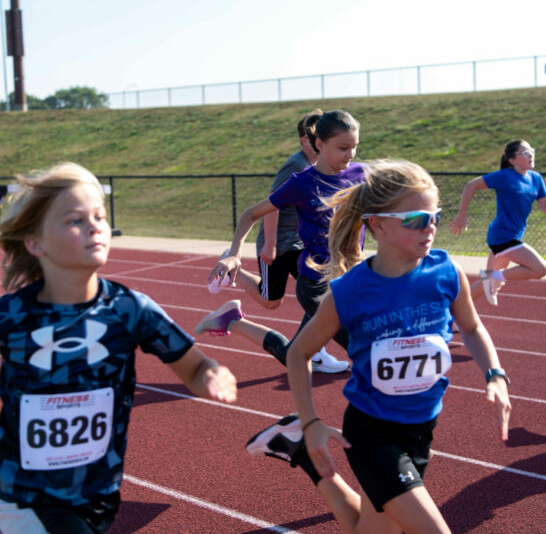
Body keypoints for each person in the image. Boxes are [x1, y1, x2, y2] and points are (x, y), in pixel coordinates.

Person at [204, 159, 511, 534]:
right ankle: (302, 436)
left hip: (421, 429)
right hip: (373, 434)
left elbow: (473, 327)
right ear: (377, 225)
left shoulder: (446, 272)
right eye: (417, 219)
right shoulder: (350, 290)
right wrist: (312, 422)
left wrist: (495, 374)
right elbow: (299, 352)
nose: (430, 228)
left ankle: (301, 454)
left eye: (435, 217)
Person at [0, 163, 237, 534]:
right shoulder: (11, 315)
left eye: (99, 217)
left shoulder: (129, 310)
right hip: (22, 494)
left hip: (98, 495)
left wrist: (212, 375)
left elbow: (193, 367)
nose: (95, 227)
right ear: (35, 243)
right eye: (75, 220)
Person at [204, 109, 367, 374]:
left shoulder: (361, 174)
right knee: (364, 349)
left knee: (295, 357)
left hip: (348, 279)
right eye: (343, 148)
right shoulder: (301, 182)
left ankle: (233, 321)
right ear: (320, 144)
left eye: (355, 147)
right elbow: (251, 214)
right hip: (315, 285)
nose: (350, 155)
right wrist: (235, 253)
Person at [210, 110, 319, 310]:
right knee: (272, 301)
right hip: (279, 243)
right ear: (305, 140)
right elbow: (271, 205)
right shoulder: (296, 165)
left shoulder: (318, 165)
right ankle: (234, 267)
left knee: (317, 293)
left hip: (298, 243)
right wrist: (270, 244)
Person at [449, 140, 546, 305]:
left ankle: (452, 310)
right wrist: (462, 215)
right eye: (525, 153)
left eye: (531, 151)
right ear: (512, 160)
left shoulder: (536, 178)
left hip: (513, 236)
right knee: (540, 269)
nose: (531, 155)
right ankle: (493, 277)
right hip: (502, 236)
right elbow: (471, 185)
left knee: (486, 285)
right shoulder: (504, 176)